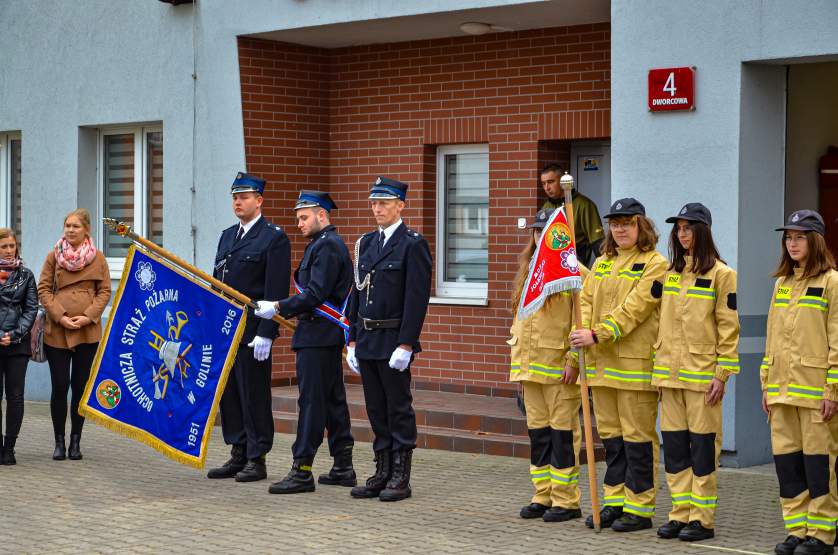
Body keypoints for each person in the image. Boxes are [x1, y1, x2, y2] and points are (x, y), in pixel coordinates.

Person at [569, 197, 667, 532]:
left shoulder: (655, 263)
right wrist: (579, 335)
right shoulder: (603, 261)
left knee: (637, 440)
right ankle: (615, 501)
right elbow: (585, 301)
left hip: (635, 367)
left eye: (627, 222)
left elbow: (637, 307)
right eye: (615, 223)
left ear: (642, 225)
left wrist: (599, 333)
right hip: (601, 366)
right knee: (612, 440)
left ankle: (639, 508)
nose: (620, 229)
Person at [254, 190, 355, 494]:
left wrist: (279, 306)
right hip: (321, 335)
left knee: (311, 402)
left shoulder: (327, 247)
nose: (298, 223)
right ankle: (342, 465)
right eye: (297, 217)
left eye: (303, 217)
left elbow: (315, 294)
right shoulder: (322, 245)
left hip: (317, 335)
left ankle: (302, 469)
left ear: (321, 215)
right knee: (333, 401)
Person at [652, 203, 740, 542]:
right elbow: (658, 324)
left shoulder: (721, 274)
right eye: (679, 229)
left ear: (702, 231)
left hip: (703, 377)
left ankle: (702, 519)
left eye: (688, 228)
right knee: (675, 450)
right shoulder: (671, 273)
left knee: (703, 450)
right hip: (670, 378)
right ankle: (679, 514)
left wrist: (721, 374)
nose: (682, 234)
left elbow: (728, 328)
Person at [346, 176, 432, 502]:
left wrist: (407, 343)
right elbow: (357, 294)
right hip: (367, 338)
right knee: (375, 408)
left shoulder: (412, 244)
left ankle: (400, 474)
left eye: (384, 202)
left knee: (398, 408)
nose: (377, 208)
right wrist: (352, 339)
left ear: (400, 205)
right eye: (373, 202)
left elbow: (416, 298)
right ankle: (381, 470)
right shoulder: (366, 243)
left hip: (394, 339)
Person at [206, 172, 291, 483]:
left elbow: (276, 289)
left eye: (244, 197)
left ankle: (258, 456)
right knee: (230, 394)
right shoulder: (228, 236)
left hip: (254, 329)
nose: (238, 202)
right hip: (226, 329)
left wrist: (267, 333)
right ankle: (238, 450)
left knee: (253, 394)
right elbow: (218, 284)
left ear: (259, 200)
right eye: (234, 197)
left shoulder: (273, 238)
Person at [762, 210, 838, 555]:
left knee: (819, 466)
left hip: (815, 394)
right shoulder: (782, 283)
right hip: (781, 391)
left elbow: (837, 341)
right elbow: (772, 338)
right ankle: (797, 529)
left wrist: (832, 390)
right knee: (788, 465)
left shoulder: (832, 282)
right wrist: (766, 384)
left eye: (800, 237)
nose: (792, 243)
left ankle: (822, 534)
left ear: (816, 241)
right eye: (788, 237)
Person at [510, 208, 588, 523]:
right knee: (539, 436)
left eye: (547, 231)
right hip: (530, 368)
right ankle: (542, 495)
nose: (540, 236)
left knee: (563, 436)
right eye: (537, 231)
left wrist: (573, 360)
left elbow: (582, 320)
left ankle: (566, 500)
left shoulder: (574, 273)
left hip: (558, 369)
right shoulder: (529, 271)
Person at [38, 208, 111, 461]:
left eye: (75, 226)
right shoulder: (53, 256)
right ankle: (58, 441)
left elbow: (104, 292)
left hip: (87, 331)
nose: (70, 230)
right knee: (60, 386)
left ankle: (75, 442)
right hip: (57, 331)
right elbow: (44, 289)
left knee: (80, 388)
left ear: (86, 229)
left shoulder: (98, 259)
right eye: (67, 225)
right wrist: (60, 316)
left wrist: (88, 315)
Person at [0, 228, 38, 465]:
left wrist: (14, 334)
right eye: (4, 246)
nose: (9, 250)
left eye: (12, 246)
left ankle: (10, 447)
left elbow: (31, 309)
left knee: (15, 397)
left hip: (17, 345)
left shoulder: (26, 275)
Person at [540, 164, 604, 266]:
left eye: (551, 182)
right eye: (543, 183)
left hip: (575, 266)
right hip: (551, 266)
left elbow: (598, 243)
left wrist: (604, 271)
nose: (547, 188)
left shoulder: (584, 205)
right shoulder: (545, 208)